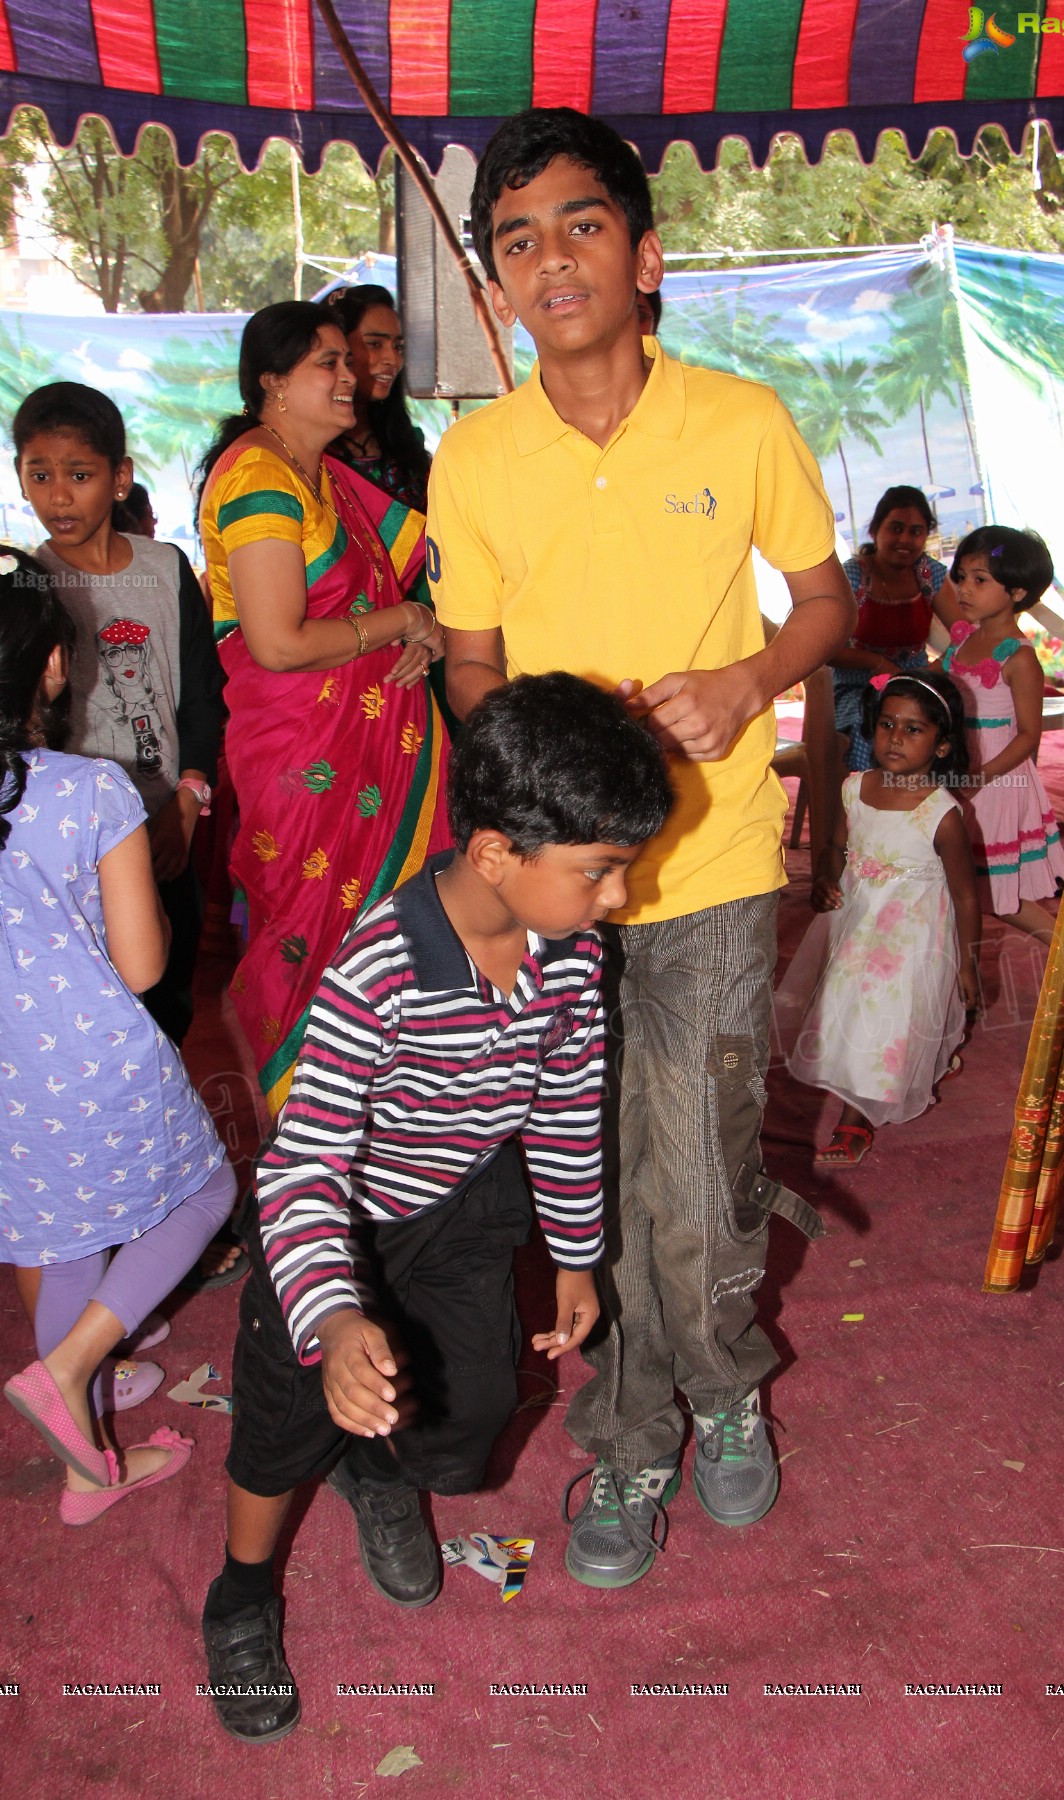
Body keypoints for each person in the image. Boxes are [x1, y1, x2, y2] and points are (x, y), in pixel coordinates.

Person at [426, 106, 856, 1590]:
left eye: (580, 225)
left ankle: (727, 1386)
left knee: (708, 1165)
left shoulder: (741, 420)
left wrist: (748, 684)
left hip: (717, 866)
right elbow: (468, 666)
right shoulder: (474, 458)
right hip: (557, 894)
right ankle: (626, 1441)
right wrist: (544, 746)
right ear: (497, 282)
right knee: (581, 1178)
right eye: (518, 240)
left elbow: (822, 603)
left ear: (645, 251)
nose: (551, 259)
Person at [199, 672, 673, 1742]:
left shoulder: (571, 954)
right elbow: (303, 1167)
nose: (619, 900)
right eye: (599, 873)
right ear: (501, 854)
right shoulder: (380, 969)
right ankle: (239, 1595)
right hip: (337, 1223)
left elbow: (563, 1103)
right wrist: (333, 1315)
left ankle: (376, 1472)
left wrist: (574, 1256)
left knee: (459, 1411)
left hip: (464, 1205)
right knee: (282, 1427)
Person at [0, 550, 236, 1524]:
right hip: (96, 1064)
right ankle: (70, 1367)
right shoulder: (90, 791)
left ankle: (87, 1467)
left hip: (8, 1079)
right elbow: (143, 967)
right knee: (206, 1191)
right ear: (55, 667)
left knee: (63, 1246)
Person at [197, 301, 453, 1118]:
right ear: (271, 381)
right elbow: (276, 643)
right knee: (308, 934)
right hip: (300, 756)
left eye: (350, 361)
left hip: (371, 748)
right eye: (326, 364)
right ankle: (304, 1139)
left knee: (385, 942)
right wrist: (401, 622)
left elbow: (373, 607)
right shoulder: (255, 477)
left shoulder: (325, 478)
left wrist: (420, 636)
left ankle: (382, 1131)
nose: (351, 378)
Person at [14, 382, 225, 1047]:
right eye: (39, 474)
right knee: (85, 1010)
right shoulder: (26, 586)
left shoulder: (166, 569)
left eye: (79, 475)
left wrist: (187, 802)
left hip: (167, 825)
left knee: (167, 1001)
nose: (58, 496)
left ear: (119, 477)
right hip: (71, 842)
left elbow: (202, 694)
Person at [778, 670, 980, 1166]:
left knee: (883, 1019)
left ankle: (856, 1120)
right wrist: (825, 880)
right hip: (854, 924)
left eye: (914, 729)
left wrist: (967, 963)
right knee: (842, 1008)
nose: (895, 738)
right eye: (887, 724)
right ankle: (913, 1066)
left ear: (941, 745)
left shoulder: (942, 814)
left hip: (909, 940)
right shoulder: (855, 788)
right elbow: (834, 847)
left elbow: (966, 896)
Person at [942, 526, 1064, 944]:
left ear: (1016, 592)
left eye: (980, 580)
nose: (964, 589)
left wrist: (982, 776)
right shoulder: (960, 643)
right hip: (958, 770)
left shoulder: (1020, 657)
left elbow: (1029, 736)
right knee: (960, 879)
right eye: (960, 576)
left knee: (997, 890)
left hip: (995, 780)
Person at [830, 485, 960, 771]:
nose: (905, 539)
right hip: (857, 688)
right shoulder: (852, 575)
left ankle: (935, 807)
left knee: (950, 713)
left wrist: (934, 673)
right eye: (896, 528)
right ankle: (874, 803)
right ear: (875, 530)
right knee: (880, 719)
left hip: (916, 685)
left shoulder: (930, 574)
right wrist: (877, 663)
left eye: (915, 531)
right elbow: (825, 649)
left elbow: (966, 635)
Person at [324, 283, 432, 514]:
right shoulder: (310, 449)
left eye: (398, 347)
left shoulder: (405, 439)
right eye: (374, 343)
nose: (392, 359)